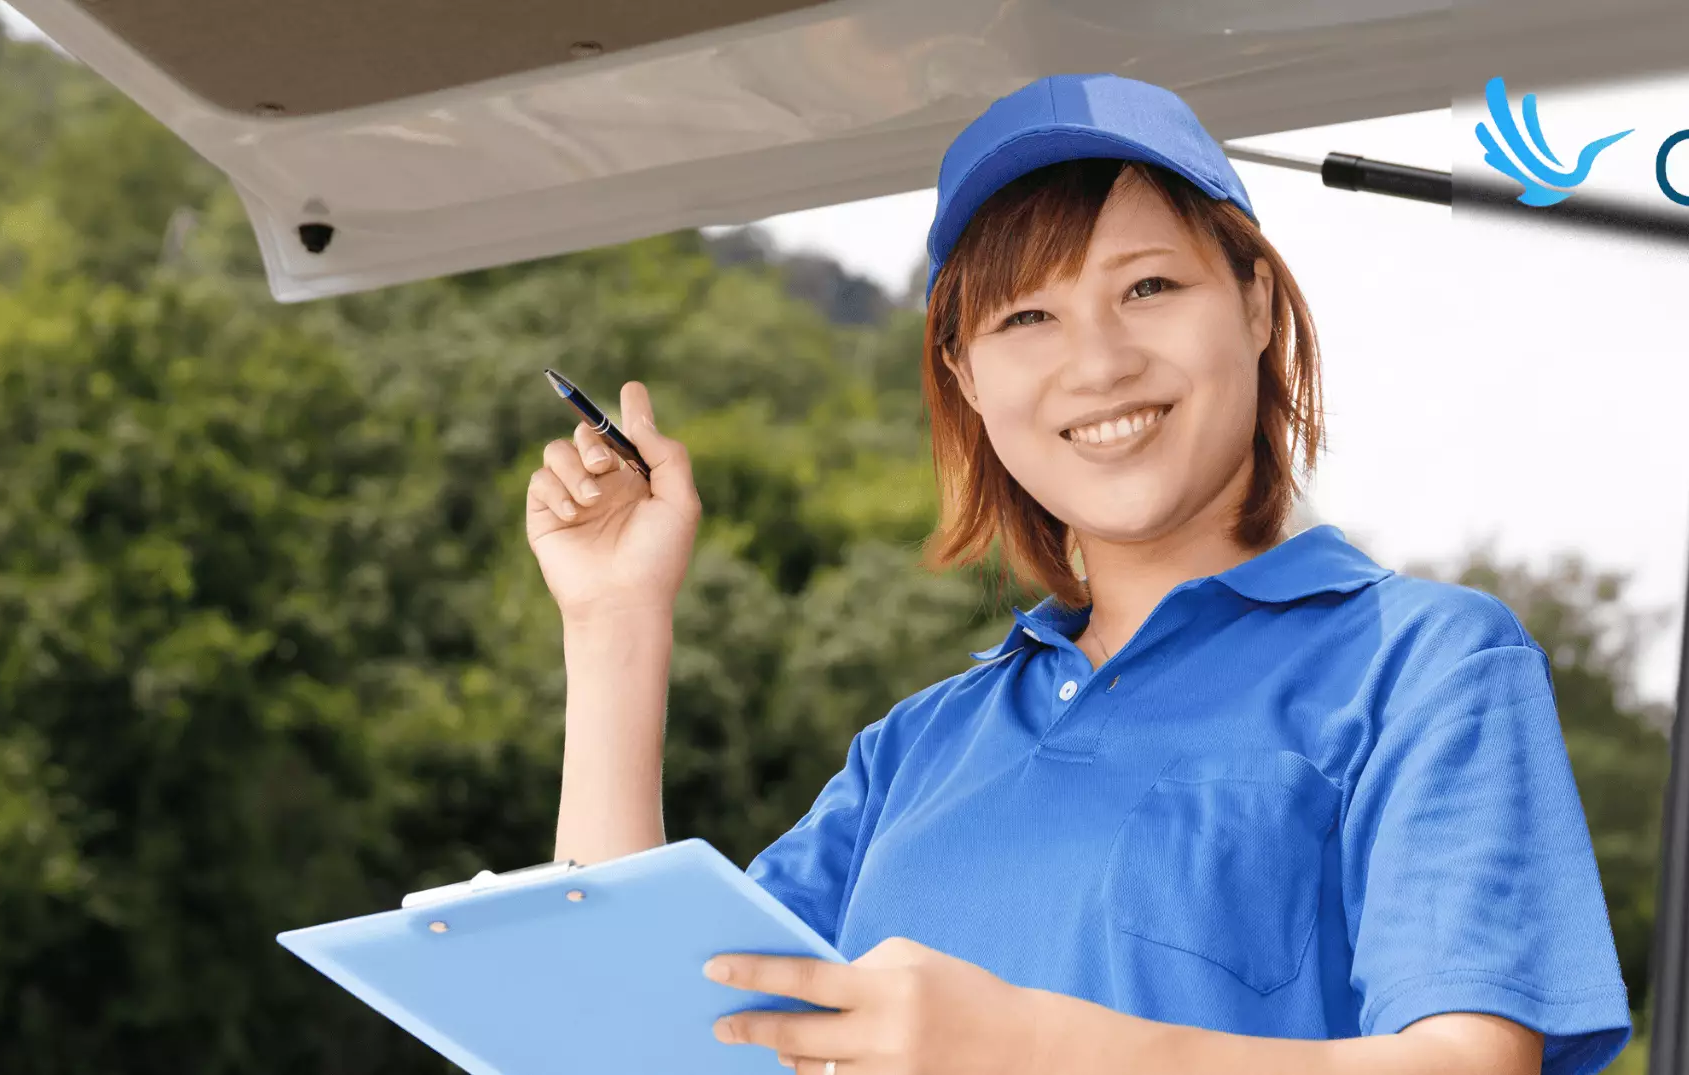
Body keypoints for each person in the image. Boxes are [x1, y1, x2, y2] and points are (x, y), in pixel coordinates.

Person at [525, 73, 1632, 1075]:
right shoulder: (912, 753)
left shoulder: (1425, 662)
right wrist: (615, 620)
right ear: (963, 375)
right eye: (1027, 316)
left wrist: (1031, 1047)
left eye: (1147, 287)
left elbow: (1466, 1065)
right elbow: (633, 1042)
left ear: (1252, 304)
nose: (1098, 361)